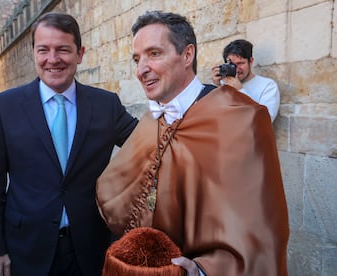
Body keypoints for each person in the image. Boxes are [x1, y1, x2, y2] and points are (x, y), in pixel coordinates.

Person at [96, 11, 289, 276]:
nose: (141, 69)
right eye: (137, 59)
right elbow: (118, 191)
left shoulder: (243, 118)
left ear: (188, 55)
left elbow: (260, 229)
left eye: (154, 54)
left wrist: (200, 270)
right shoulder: (151, 120)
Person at [0, 12, 138, 276]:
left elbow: (146, 143)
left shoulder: (106, 105)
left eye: (63, 49)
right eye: (43, 50)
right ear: (33, 53)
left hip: (91, 248)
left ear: (80, 53)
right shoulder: (4, 107)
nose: (53, 59)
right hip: (26, 248)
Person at [211, 39, 280, 122]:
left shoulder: (268, 86)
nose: (236, 69)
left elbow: (266, 120)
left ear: (251, 61)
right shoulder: (223, 85)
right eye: (232, 65)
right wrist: (215, 87)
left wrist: (241, 91)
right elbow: (212, 116)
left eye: (240, 63)